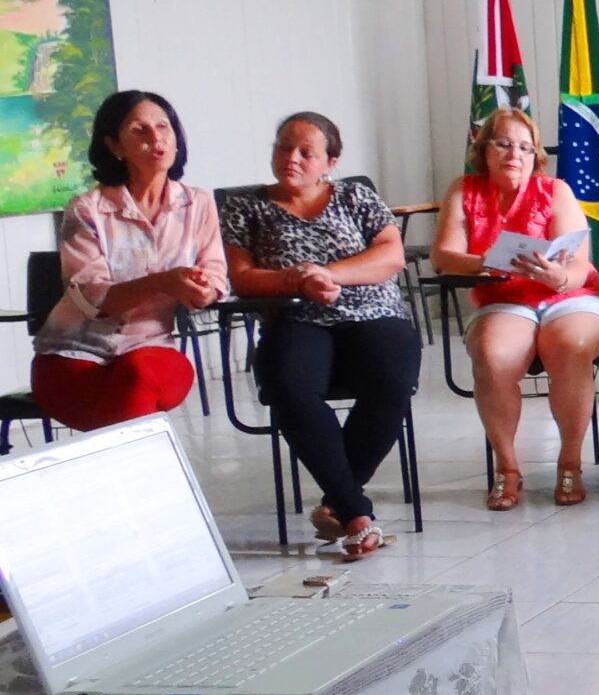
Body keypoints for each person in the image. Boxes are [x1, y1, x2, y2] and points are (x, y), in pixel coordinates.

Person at [221, 111, 419, 560]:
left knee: (392, 376)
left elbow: (390, 255)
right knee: (288, 384)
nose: (291, 158)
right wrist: (297, 281)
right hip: (295, 317)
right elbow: (243, 277)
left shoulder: (355, 196)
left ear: (330, 160)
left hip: (371, 312)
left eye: (306, 152)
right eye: (283, 147)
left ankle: (338, 502)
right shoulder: (245, 206)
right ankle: (354, 512)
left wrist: (328, 274)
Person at [429, 107, 599, 510]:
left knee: (572, 344)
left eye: (526, 148)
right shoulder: (464, 190)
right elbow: (443, 255)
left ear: (536, 158)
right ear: (484, 150)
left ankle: (570, 462)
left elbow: (578, 264)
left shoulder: (555, 191)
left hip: (567, 296)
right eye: (504, 144)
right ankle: (507, 469)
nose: (515, 155)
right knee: (492, 356)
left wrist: (557, 277)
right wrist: (487, 262)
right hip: (503, 298)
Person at [32, 90, 225, 431]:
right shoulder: (86, 208)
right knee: (128, 399)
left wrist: (204, 290)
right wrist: (165, 282)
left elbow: (216, 275)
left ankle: (119, 477)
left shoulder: (199, 203)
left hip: (151, 349)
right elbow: (93, 299)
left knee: (139, 373)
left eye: (163, 127)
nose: (156, 138)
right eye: (140, 130)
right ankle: (135, 475)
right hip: (71, 356)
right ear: (114, 146)